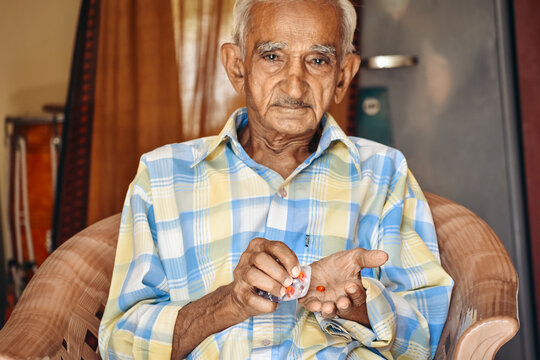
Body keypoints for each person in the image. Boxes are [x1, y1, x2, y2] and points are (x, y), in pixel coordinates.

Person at [98, 0, 454, 359]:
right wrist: (229, 303)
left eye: (317, 60)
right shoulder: (163, 177)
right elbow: (119, 344)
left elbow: (427, 334)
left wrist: (354, 305)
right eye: (272, 57)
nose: (295, 88)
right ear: (237, 67)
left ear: (343, 75)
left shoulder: (383, 173)